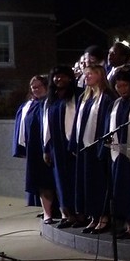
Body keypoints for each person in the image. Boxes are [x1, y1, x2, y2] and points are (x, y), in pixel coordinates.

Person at [70, 64, 114, 234]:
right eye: (85, 74)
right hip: (84, 147)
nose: (86, 77)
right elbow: (77, 123)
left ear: (100, 75)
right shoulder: (85, 97)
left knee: (98, 183)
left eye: (90, 74)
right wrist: (74, 143)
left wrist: (103, 146)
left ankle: (103, 217)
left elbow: (106, 124)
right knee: (86, 184)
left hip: (97, 148)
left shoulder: (107, 97)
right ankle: (93, 216)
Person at [42, 66, 85, 229]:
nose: (59, 80)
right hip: (56, 146)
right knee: (61, 181)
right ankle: (68, 215)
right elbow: (46, 125)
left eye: (63, 77)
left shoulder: (78, 95)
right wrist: (46, 148)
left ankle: (81, 214)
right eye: (56, 77)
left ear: (70, 78)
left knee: (75, 179)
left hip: (72, 144)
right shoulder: (51, 98)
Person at [13, 75, 58, 223]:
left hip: (52, 148)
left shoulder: (52, 103)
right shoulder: (29, 106)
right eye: (33, 87)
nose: (36, 90)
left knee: (53, 180)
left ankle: (60, 211)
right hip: (35, 150)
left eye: (39, 86)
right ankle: (47, 213)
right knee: (41, 181)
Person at [106, 70, 130, 238]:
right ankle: (128, 226)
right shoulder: (116, 104)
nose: (121, 89)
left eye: (125, 85)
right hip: (118, 154)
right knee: (121, 190)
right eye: (118, 86)